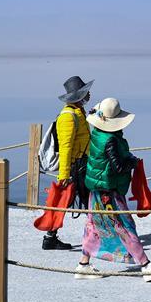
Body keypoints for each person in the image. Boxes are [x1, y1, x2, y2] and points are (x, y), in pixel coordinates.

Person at [75, 97, 151, 281]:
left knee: (93, 225)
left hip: (96, 189)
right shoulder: (110, 140)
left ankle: (83, 265)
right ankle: (146, 266)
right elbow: (118, 167)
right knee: (124, 226)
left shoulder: (97, 134)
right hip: (109, 192)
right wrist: (132, 162)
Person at [41, 75, 94, 251]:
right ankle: (100, 236)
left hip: (82, 165)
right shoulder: (68, 117)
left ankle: (51, 238)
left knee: (80, 201)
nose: (89, 94)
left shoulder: (78, 113)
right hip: (74, 168)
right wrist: (64, 175)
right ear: (78, 95)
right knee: (73, 201)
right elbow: (65, 148)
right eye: (86, 91)